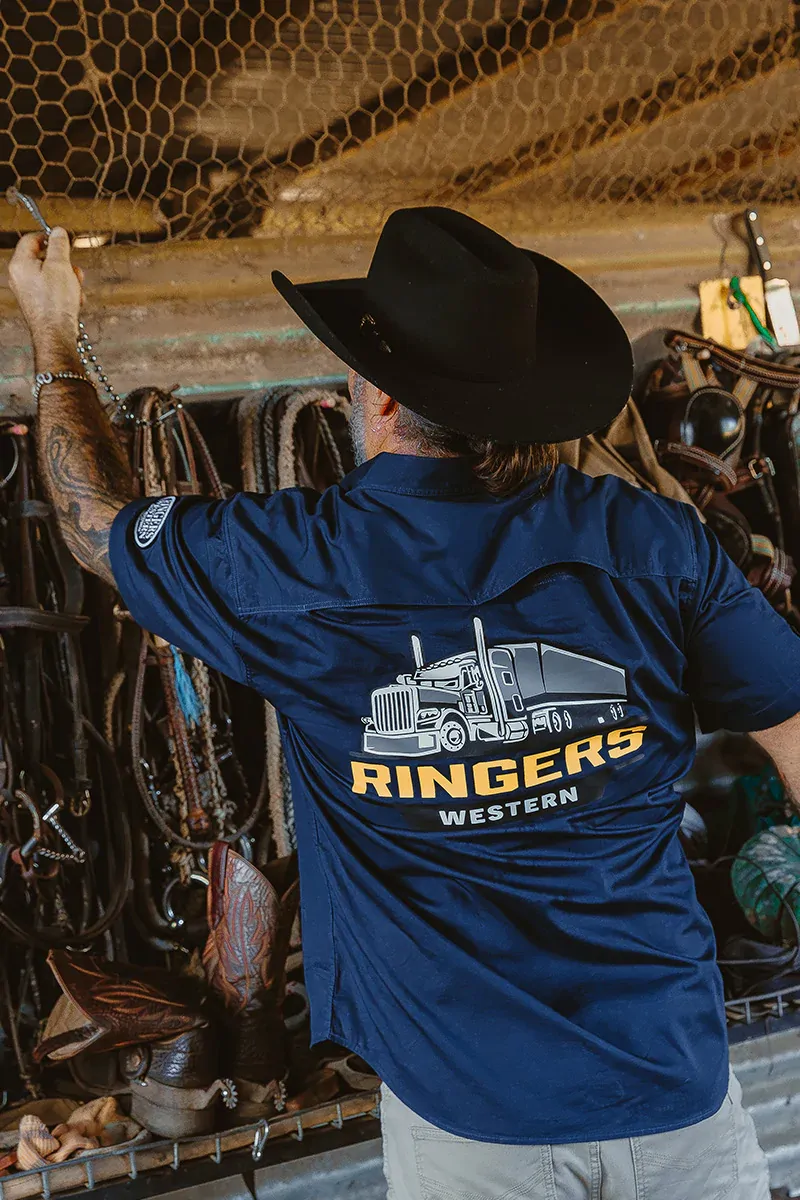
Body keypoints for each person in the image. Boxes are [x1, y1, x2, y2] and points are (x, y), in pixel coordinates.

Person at [8, 206, 795, 1200]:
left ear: (377, 396)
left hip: (473, 1132)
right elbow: (791, 719)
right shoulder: (652, 541)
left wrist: (53, 332)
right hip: (678, 1093)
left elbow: (96, 524)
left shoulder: (290, 565)